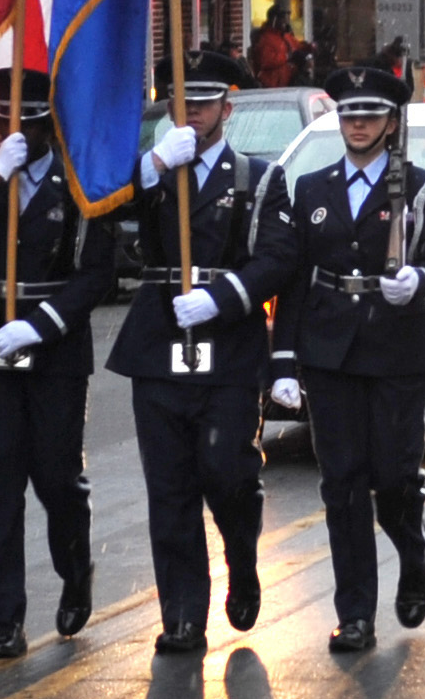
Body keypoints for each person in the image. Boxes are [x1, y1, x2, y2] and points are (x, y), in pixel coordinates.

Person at [258, 66, 425, 653]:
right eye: (348, 113)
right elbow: (294, 280)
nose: (358, 123)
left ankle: (410, 550)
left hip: (396, 347)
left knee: (392, 478)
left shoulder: (420, 185)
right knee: (341, 484)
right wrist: (285, 363)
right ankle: (356, 614)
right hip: (330, 348)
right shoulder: (311, 187)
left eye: (369, 114)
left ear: (393, 122)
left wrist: (415, 280)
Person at [0, 68, 117, 659]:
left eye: (28, 123)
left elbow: (97, 273)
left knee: (57, 478)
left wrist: (40, 325)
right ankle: (7, 617)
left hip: (55, 343)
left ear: (48, 125)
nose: (15, 131)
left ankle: (74, 567)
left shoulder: (81, 181)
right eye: (4, 121)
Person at [113, 49, 286, 654]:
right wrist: (154, 164)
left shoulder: (257, 179)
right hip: (160, 342)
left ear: (227, 109)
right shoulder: (158, 172)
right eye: (183, 102)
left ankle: (241, 557)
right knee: (170, 488)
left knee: (227, 474)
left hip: (227, 344)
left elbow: (276, 260)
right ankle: (183, 615)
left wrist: (222, 299)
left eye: (206, 102)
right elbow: (107, 208)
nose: (194, 111)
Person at [251, 6, 306, 89]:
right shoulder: (265, 38)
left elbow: (297, 46)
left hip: (288, 82)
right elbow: (266, 61)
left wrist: (309, 47)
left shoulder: (285, 36)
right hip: (273, 86)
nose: (285, 22)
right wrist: (287, 56)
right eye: (282, 19)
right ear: (274, 20)